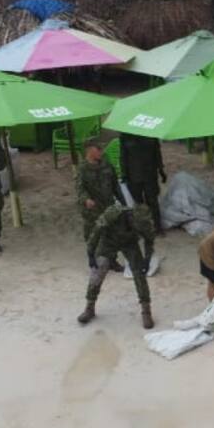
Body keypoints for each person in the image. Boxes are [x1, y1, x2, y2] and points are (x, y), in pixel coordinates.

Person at [78, 202, 157, 329]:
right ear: (131, 216)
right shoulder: (113, 213)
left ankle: (146, 310)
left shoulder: (145, 222)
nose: (138, 227)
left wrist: (147, 260)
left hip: (130, 243)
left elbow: (149, 241)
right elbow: (97, 230)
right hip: (108, 241)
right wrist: (90, 253)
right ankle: (89, 307)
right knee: (98, 270)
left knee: (139, 272)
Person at [75, 139, 121, 269]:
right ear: (90, 151)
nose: (101, 151)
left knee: (112, 234)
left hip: (108, 205)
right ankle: (93, 260)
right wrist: (86, 199)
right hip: (92, 209)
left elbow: (115, 185)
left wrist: (122, 202)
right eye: (98, 149)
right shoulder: (82, 169)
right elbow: (79, 188)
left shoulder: (106, 165)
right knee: (93, 235)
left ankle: (112, 261)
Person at [120, 132, 166, 234]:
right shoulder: (125, 135)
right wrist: (124, 173)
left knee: (153, 201)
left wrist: (161, 169)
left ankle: (157, 226)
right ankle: (142, 227)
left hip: (150, 173)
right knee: (138, 202)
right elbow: (123, 156)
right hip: (133, 174)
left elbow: (157, 153)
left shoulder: (151, 132)